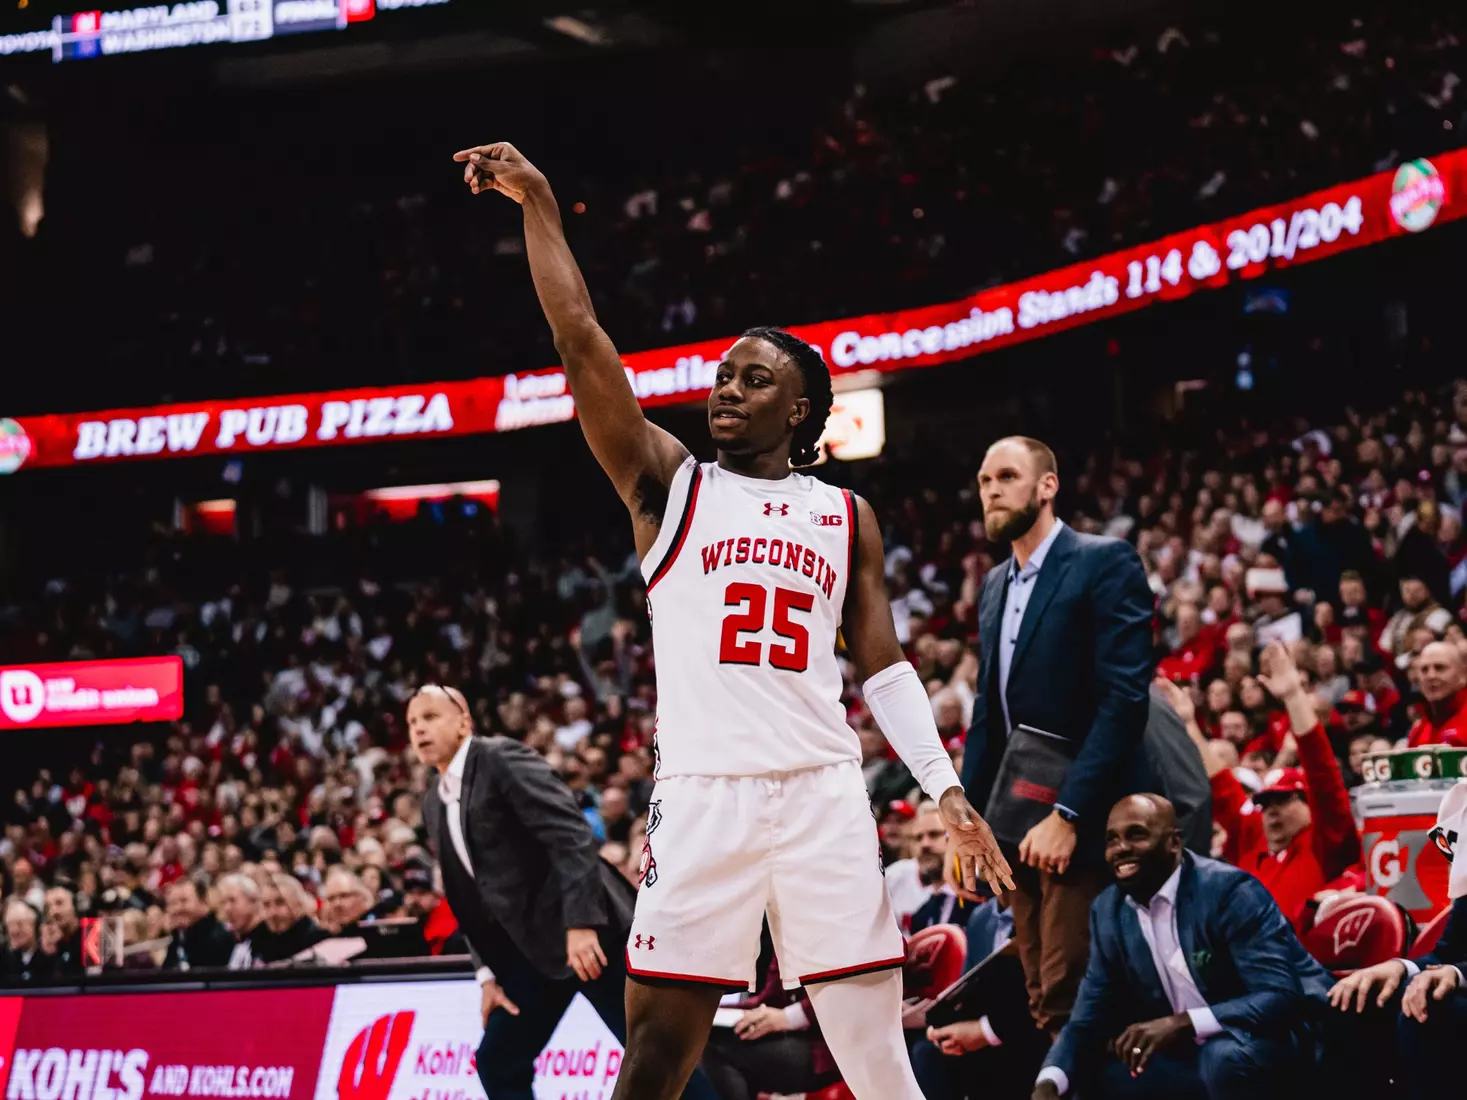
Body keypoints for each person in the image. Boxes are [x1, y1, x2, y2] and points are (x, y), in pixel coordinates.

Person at [454, 140, 1011, 1100]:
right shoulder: (667, 484)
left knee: (877, 1060)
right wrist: (538, 200)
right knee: (657, 1057)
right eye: (722, 375)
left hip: (823, 794)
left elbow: (880, 670)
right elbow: (581, 338)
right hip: (704, 794)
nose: (725, 389)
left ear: (802, 412)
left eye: (754, 381)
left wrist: (946, 793)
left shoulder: (845, 514)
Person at [410, 685, 716, 1100]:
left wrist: (581, 923)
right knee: (498, 1061)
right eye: (412, 722)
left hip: (591, 935)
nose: (419, 729)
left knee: (652, 1057)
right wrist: (487, 976)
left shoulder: (499, 758)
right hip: (534, 952)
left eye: (430, 717)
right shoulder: (434, 801)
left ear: (464, 721)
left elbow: (571, 835)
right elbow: (469, 898)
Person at [962, 435, 1154, 1035]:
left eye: (1008, 476)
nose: (991, 489)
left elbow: (1125, 698)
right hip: (1019, 818)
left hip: (1087, 818)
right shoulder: (995, 584)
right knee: (1041, 994)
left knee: (1075, 996)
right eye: (985, 479)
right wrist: (967, 823)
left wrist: (1069, 812)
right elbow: (989, 716)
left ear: (1047, 486)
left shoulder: (1105, 560)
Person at [1034, 795, 1333, 1100]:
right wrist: (1048, 1083)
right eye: (1112, 840)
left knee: (1222, 1058)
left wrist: (1183, 1023)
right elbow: (1085, 1020)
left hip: (1283, 1036)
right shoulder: (1108, 911)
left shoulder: (1229, 892)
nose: (1121, 848)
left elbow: (1280, 997)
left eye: (1136, 834)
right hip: (1194, 1050)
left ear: (1174, 842)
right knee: (1096, 1075)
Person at [1208, 643, 1360, 929]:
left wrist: (1293, 697)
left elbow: (1323, 778)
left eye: (1283, 801)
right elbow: (1221, 788)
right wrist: (1189, 726)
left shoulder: (1324, 845)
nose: (1272, 812)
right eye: (1265, 804)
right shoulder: (1251, 847)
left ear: (1308, 805)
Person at [161, 876, 235, 970]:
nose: (178, 909)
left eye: (184, 901)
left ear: (203, 902)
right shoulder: (178, 939)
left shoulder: (221, 938)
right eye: (173, 903)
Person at [255, 872, 329, 963]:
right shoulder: (260, 940)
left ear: (300, 904)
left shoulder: (318, 941)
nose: (272, 913)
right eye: (266, 905)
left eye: (280, 903)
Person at [1405, 640, 1467, 746]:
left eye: (1440, 668)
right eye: (1424, 670)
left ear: (1463, 675)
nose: (1431, 676)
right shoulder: (1418, 733)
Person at [218, 872, 266, 969]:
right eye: (223, 902)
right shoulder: (233, 943)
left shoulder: (268, 942)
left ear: (253, 901)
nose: (227, 909)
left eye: (232, 900)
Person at [1, 899, 53, 985]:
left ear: (34, 925)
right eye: (10, 925)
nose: (14, 931)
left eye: (20, 924)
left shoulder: (48, 955)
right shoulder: (4, 959)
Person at [42, 885, 84, 977]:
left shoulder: (90, 939)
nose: (53, 912)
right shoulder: (51, 945)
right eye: (49, 907)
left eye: (59, 903)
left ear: (74, 906)